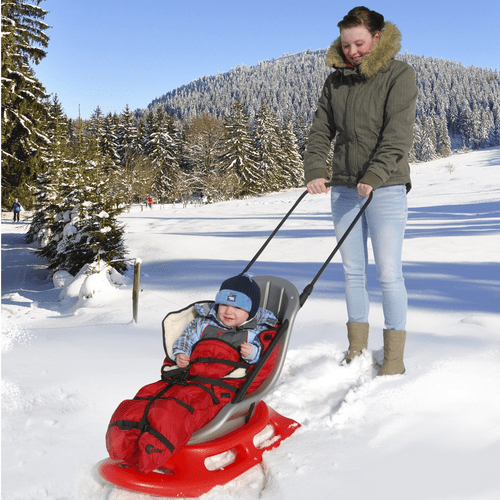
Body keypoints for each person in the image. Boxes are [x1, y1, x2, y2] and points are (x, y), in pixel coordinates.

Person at [303, 6, 418, 376]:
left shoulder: (399, 75)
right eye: (346, 44)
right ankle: (356, 348)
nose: (352, 51)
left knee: (388, 272)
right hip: (344, 188)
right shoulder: (336, 81)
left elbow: (398, 134)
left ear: (377, 38)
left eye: (359, 43)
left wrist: (376, 174)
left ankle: (394, 358)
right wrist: (316, 169)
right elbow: (321, 130)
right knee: (353, 271)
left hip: (385, 187)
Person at [106, 273, 278, 474]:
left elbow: (264, 359)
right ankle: (125, 448)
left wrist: (252, 353)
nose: (229, 312)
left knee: (172, 411)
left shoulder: (255, 331)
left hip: (216, 388)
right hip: (186, 379)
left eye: (238, 308)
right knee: (142, 402)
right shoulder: (203, 323)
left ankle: (151, 458)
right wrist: (181, 354)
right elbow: (185, 339)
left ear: (251, 311)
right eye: (224, 305)